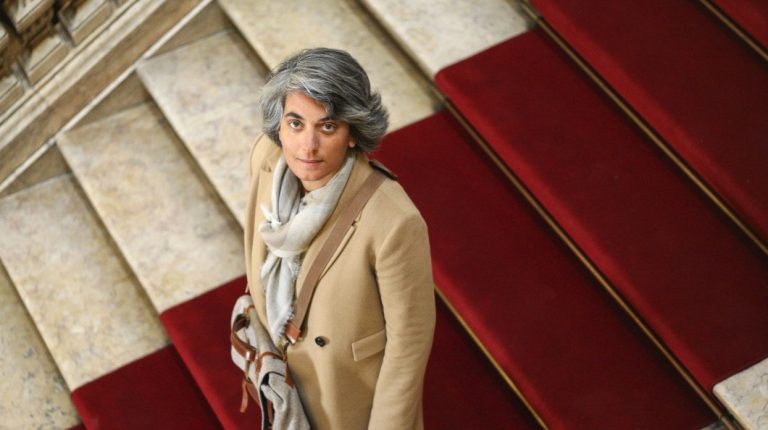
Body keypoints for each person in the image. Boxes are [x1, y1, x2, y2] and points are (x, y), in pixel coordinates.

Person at [242, 47, 436, 429]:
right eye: (295, 124)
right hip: (284, 377)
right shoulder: (267, 158)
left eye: (327, 127)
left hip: (343, 397)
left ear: (352, 134)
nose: (307, 146)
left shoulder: (395, 222)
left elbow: (409, 343)